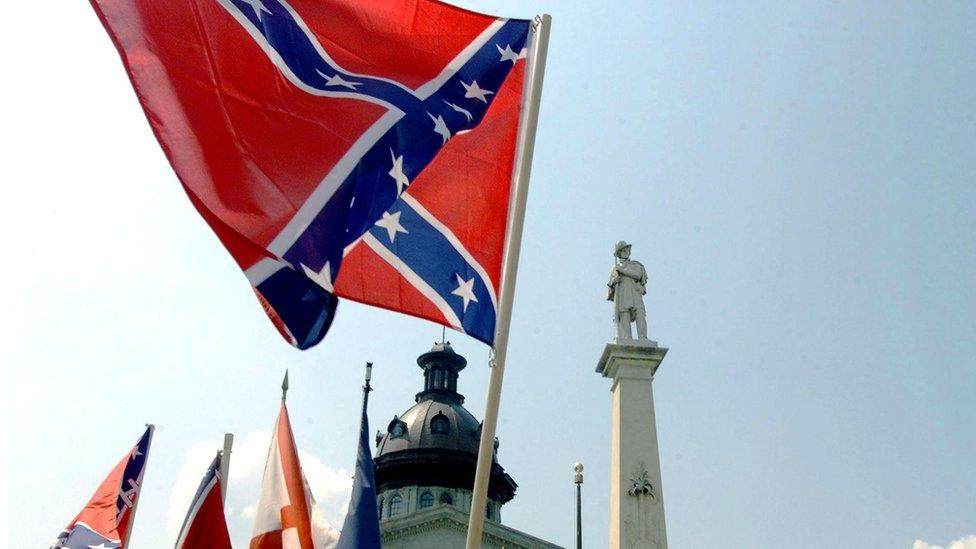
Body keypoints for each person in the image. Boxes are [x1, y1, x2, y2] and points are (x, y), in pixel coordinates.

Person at [607, 241, 648, 340]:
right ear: (619, 253)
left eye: (627, 250)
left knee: (640, 314)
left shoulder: (635, 264)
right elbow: (610, 287)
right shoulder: (615, 268)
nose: (626, 252)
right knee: (624, 315)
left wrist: (622, 271)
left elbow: (638, 274)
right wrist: (613, 282)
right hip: (623, 294)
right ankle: (626, 338)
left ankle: (643, 338)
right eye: (623, 250)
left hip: (635, 292)